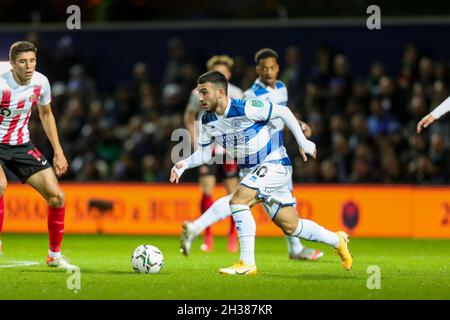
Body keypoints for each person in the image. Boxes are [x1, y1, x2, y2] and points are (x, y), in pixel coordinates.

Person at [171, 71, 352, 275]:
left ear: (220, 92)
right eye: (198, 93)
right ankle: (337, 239)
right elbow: (204, 154)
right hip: (254, 171)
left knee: (238, 201)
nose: (200, 98)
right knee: (292, 226)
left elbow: (282, 112)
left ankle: (247, 263)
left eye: (204, 92)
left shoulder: (245, 107)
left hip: (274, 164)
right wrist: (183, 164)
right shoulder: (206, 120)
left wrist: (303, 141)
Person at [180, 48, 323, 261]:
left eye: (272, 67)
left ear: (278, 68)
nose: (268, 72)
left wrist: (299, 125)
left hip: (274, 149)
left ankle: (197, 227)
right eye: (264, 68)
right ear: (257, 69)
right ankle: (294, 247)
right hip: (260, 154)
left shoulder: (281, 88)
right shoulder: (249, 95)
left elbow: (280, 112)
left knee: (246, 198)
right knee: (241, 198)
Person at [0, 41, 71, 268]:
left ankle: (54, 256)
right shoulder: (1, 84)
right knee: (0, 186)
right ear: (12, 64)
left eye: (32, 60)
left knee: (57, 197)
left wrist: (58, 152)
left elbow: (47, 114)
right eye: (22, 61)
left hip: (21, 144)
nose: (28, 66)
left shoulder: (41, 82)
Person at [184, 55, 243, 252]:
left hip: (228, 149)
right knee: (207, 191)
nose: (221, 75)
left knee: (233, 194)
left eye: (224, 72)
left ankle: (232, 236)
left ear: (229, 74)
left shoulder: (236, 92)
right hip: (207, 147)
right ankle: (207, 236)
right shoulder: (197, 93)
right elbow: (189, 116)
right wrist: (194, 140)